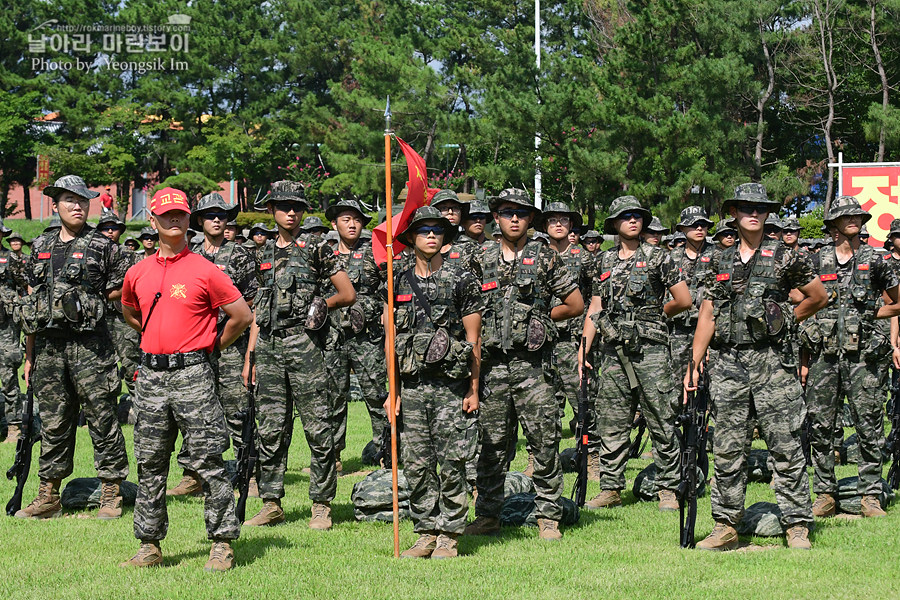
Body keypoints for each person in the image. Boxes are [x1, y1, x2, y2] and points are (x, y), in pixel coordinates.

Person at [685, 183, 827, 551]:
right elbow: (708, 312)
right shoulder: (718, 259)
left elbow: (818, 296)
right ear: (733, 212)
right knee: (729, 446)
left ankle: (797, 524)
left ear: (766, 214)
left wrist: (787, 321)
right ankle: (726, 523)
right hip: (729, 363)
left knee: (785, 443)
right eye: (746, 207)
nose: (753, 213)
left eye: (760, 208)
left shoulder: (786, 256)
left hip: (773, 363)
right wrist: (695, 362)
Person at [119, 187, 252, 571]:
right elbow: (130, 310)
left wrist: (211, 346)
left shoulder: (205, 270)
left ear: (188, 219)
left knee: (208, 459)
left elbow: (241, 315)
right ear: (153, 220)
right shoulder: (137, 271)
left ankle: (222, 541)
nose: (173, 220)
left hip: (193, 374)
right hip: (151, 377)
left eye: (180, 214)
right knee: (150, 461)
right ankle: (149, 543)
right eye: (166, 214)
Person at [465, 188, 584, 541]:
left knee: (544, 442)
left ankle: (548, 515)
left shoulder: (544, 257)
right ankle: (487, 515)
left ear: (531, 219)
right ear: (496, 218)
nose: (513, 218)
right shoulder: (480, 257)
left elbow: (575, 304)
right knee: (490, 446)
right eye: (506, 212)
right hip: (491, 369)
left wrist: (543, 318)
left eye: (520, 212)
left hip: (533, 368)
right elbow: (465, 304)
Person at [15, 175, 130, 520]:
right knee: (53, 421)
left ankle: (111, 492)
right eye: (69, 200)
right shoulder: (40, 245)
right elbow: (33, 302)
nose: (77, 206)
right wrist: (29, 355)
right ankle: (48, 494)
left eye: (82, 201)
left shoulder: (103, 244)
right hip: (49, 348)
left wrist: (89, 300)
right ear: (56, 204)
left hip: (91, 347)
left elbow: (124, 285)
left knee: (102, 417)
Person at [242, 181, 356, 529]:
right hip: (270, 348)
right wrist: (250, 357)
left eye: (297, 207)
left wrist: (323, 303)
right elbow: (258, 312)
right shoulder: (260, 255)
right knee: (272, 429)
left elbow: (347, 292)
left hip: (305, 345)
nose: (291, 213)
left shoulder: (316, 248)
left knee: (317, 426)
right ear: (271, 210)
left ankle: (321, 504)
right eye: (283, 207)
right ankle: (271, 501)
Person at [578, 196, 691, 511]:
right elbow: (596, 307)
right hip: (613, 351)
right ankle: (611, 487)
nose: (632, 221)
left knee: (660, 418)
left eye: (637, 216)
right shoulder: (603, 261)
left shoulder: (659, 258)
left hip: (650, 352)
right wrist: (584, 347)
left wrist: (655, 316)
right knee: (612, 420)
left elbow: (682, 299)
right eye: (625, 216)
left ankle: (668, 487)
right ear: (615, 223)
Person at [385, 206, 483, 559]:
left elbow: (474, 338)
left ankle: (449, 534)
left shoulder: (461, 279)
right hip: (411, 387)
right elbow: (390, 339)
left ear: (444, 238)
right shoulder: (395, 280)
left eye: (437, 230)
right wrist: (391, 391)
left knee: (453, 460)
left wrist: (473, 388)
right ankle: (425, 530)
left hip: (450, 387)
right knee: (416, 462)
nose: (431, 235)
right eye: (423, 229)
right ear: (410, 237)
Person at [800, 196, 900, 520]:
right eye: (846, 217)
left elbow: (897, 302)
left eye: (857, 215)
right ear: (833, 225)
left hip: (864, 359)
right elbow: (799, 303)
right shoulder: (817, 261)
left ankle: (870, 495)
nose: (853, 220)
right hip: (823, 358)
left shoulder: (877, 259)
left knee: (869, 423)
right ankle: (825, 493)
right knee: (821, 425)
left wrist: (874, 314)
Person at [166, 192, 258, 496]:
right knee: (194, 410)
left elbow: (252, 303)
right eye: (210, 215)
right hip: (194, 344)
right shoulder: (187, 255)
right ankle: (193, 474)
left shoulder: (241, 255)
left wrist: (249, 354)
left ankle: (250, 474)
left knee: (238, 410)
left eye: (221, 214)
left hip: (230, 343)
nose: (217, 219)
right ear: (200, 221)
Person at [322, 199, 388, 465]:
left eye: (357, 219)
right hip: (334, 337)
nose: (352, 224)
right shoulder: (324, 254)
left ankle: (385, 452)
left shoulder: (375, 251)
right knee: (333, 397)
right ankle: (334, 455)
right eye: (346, 219)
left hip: (367, 339)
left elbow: (389, 288)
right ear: (334, 224)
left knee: (376, 396)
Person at [539, 201, 597, 475]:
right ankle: (539, 460)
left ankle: (593, 456)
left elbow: (595, 298)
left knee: (582, 399)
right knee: (544, 403)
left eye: (564, 220)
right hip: (541, 340)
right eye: (553, 220)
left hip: (573, 340)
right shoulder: (537, 255)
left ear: (571, 225)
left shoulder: (584, 258)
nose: (558, 224)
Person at [96, 213, 141, 411]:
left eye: (114, 228)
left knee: (131, 364)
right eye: (105, 228)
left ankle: (141, 409)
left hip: (124, 319)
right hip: (98, 318)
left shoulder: (130, 256)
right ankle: (106, 412)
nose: (110, 231)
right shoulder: (92, 255)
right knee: (101, 368)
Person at [668, 206, 716, 379]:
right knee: (677, 382)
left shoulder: (719, 255)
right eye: (694, 224)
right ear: (682, 228)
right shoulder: (671, 258)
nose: (699, 228)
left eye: (703, 224)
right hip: (678, 330)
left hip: (711, 329)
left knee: (712, 385)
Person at [0, 219, 26, 441]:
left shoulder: (11, 259)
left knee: (8, 374)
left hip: (6, 325)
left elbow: (25, 285)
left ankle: (14, 427)